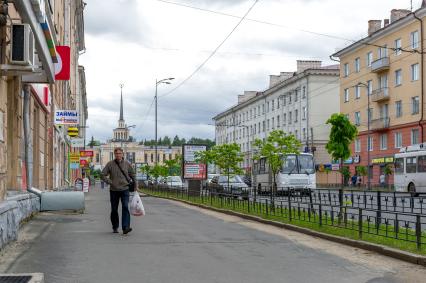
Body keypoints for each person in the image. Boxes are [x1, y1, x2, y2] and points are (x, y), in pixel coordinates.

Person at [101, 147, 136, 234]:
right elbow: (102, 175)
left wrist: (136, 185)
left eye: (120, 153)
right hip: (114, 190)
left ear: (122, 154)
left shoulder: (127, 164)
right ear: (114, 154)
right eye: (116, 153)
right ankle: (115, 226)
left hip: (125, 189)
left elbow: (133, 175)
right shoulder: (110, 164)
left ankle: (125, 227)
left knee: (125, 207)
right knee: (114, 209)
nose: (118, 155)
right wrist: (110, 182)